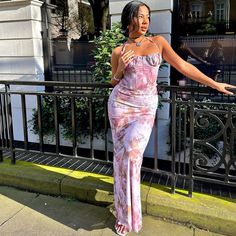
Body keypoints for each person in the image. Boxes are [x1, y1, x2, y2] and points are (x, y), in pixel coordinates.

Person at [107, 1, 235, 235]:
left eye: (147, 17)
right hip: (120, 106)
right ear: (128, 20)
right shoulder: (119, 51)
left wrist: (214, 83)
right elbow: (113, 82)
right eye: (139, 16)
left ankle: (131, 213)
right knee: (121, 158)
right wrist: (119, 69)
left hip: (145, 107)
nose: (144, 21)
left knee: (132, 155)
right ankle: (124, 213)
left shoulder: (158, 43)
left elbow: (184, 66)